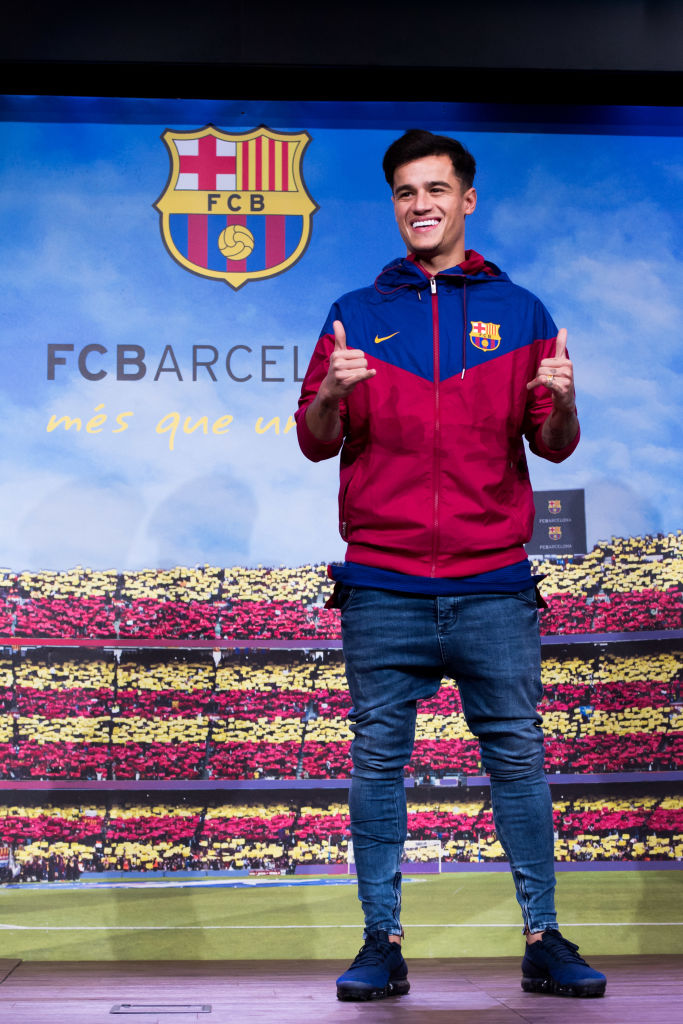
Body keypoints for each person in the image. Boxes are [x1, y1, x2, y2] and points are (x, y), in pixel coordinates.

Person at [295, 129, 606, 1002]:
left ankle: (543, 940)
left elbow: (552, 444)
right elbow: (314, 442)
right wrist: (329, 396)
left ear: (466, 200)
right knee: (376, 764)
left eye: (435, 189)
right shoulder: (355, 312)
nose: (420, 204)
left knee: (518, 760)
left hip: (491, 581)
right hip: (382, 581)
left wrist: (565, 402)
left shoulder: (521, 312)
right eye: (405, 192)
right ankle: (380, 943)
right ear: (393, 205)